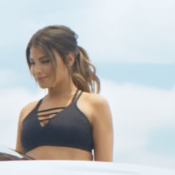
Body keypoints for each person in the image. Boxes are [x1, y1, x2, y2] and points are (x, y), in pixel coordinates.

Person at [14, 25, 113, 161]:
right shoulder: (26, 112)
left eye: (45, 61)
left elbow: (105, 166)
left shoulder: (94, 105)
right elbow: (13, 167)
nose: (36, 70)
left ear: (70, 59)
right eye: (32, 63)